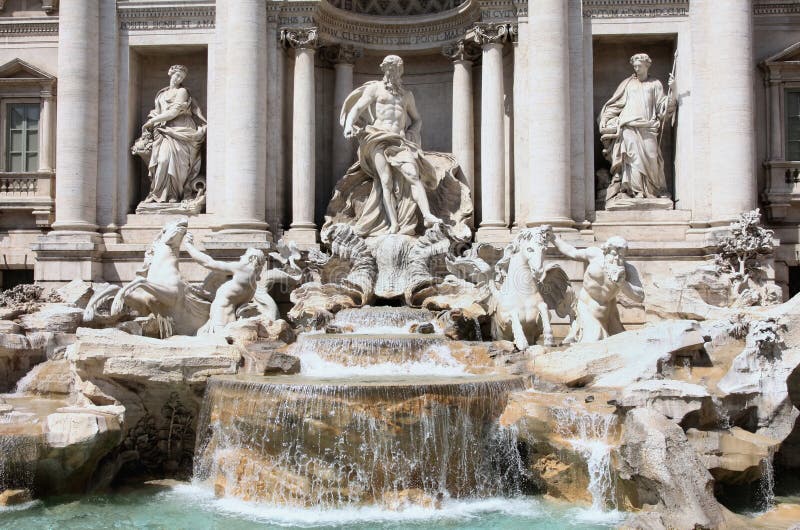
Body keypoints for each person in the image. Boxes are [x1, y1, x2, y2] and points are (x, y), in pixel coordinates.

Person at [340, 55, 442, 235]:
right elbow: (357, 108)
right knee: (385, 181)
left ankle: (427, 215)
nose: (393, 72)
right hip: (378, 137)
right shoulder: (375, 89)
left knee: (413, 175)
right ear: (384, 69)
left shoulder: (407, 95)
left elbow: (417, 119)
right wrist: (349, 126)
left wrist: (411, 133)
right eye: (390, 68)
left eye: (397, 69)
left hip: (400, 141)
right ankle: (393, 224)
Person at [598, 53, 676, 204]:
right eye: (634, 66)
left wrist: (674, 89)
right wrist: (606, 119)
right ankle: (636, 192)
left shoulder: (655, 84)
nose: (636, 68)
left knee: (652, 158)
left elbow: (663, 108)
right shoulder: (627, 83)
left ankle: (652, 191)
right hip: (628, 126)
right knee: (632, 159)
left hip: (648, 127)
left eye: (639, 65)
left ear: (647, 65)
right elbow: (614, 105)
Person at [548, 230, 645, 343]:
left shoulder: (628, 270)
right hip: (586, 307)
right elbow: (572, 252)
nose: (617, 258)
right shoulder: (595, 254)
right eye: (614, 254)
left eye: (622, 256)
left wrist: (622, 283)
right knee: (594, 340)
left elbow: (640, 296)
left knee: (620, 343)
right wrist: (553, 238)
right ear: (606, 250)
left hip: (609, 313)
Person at [137, 64, 207, 204]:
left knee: (173, 163)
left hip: (180, 130)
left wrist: (153, 121)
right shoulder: (161, 94)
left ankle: (173, 195)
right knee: (161, 161)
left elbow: (174, 112)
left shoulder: (182, 92)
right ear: (170, 73)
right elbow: (158, 111)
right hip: (163, 132)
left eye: (181, 77)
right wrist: (152, 119)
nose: (178, 78)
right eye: (177, 75)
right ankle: (158, 194)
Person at [183, 233, 266, 335]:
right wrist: (207, 294)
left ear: (251, 258)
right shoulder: (253, 285)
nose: (241, 256)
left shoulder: (242, 269)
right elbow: (231, 299)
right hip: (227, 319)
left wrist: (189, 246)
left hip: (220, 319)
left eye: (244, 255)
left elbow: (208, 262)